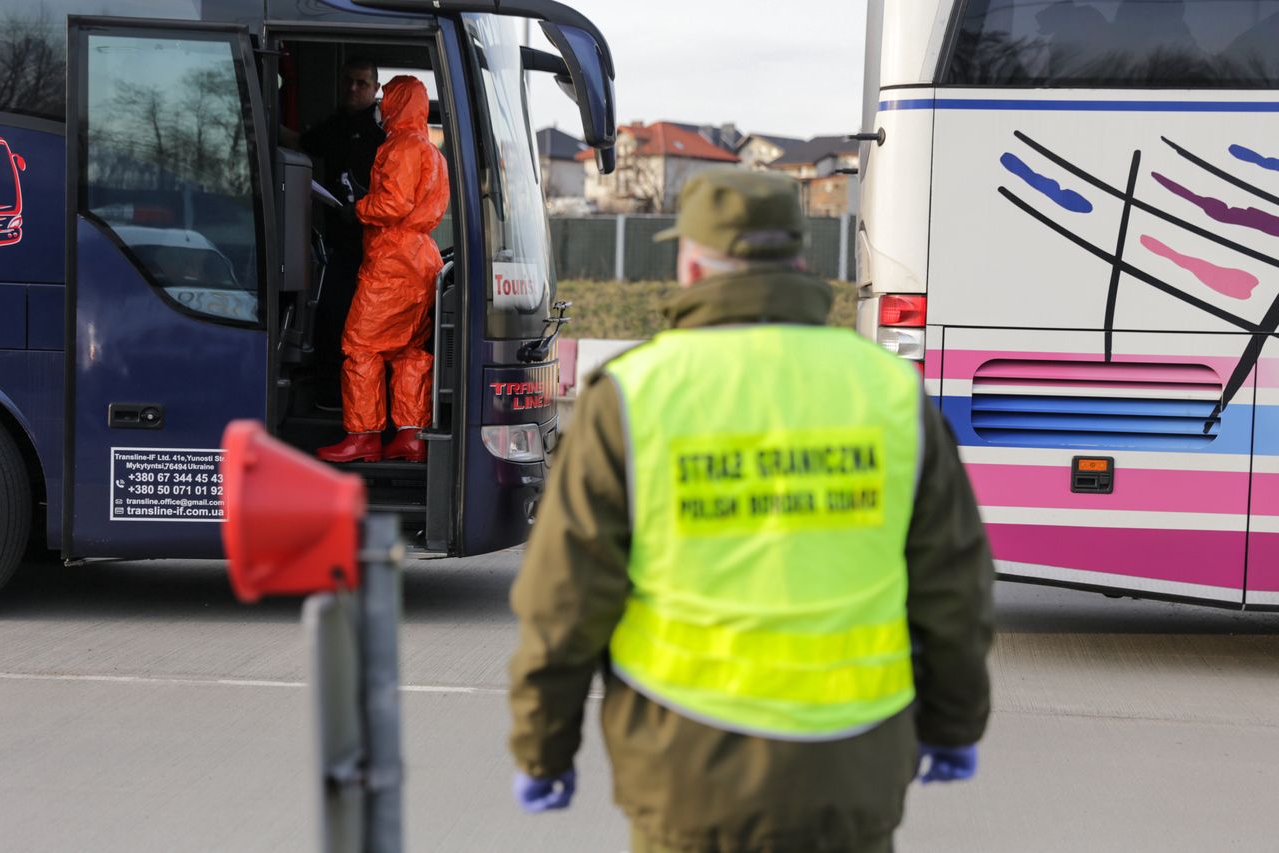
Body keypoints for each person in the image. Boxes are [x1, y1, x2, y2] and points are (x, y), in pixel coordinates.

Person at [507, 168, 995, 852]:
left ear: (692, 262)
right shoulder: (888, 391)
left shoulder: (632, 397)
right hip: (851, 770)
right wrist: (954, 723)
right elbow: (954, 585)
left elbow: (564, 601)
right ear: (800, 260)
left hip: (688, 772)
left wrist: (544, 746)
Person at [316, 75, 450, 464]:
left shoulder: (399, 147)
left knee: (360, 347)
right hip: (421, 258)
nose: (381, 105)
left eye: (386, 98)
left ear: (396, 104)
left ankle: (363, 436)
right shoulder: (431, 149)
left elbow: (391, 205)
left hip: (392, 260)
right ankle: (410, 435)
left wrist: (354, 209)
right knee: (409, 350)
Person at [285, 58, 387, 410]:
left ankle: (357, 403)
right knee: (332, 315)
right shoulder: (337, 126)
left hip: (373, 248)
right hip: (337, 243)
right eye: (349, 83)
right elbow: (304, 142)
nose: (354, 89)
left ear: (376, 90)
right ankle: (335, 394)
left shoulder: (384, 137)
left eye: (362, 83)